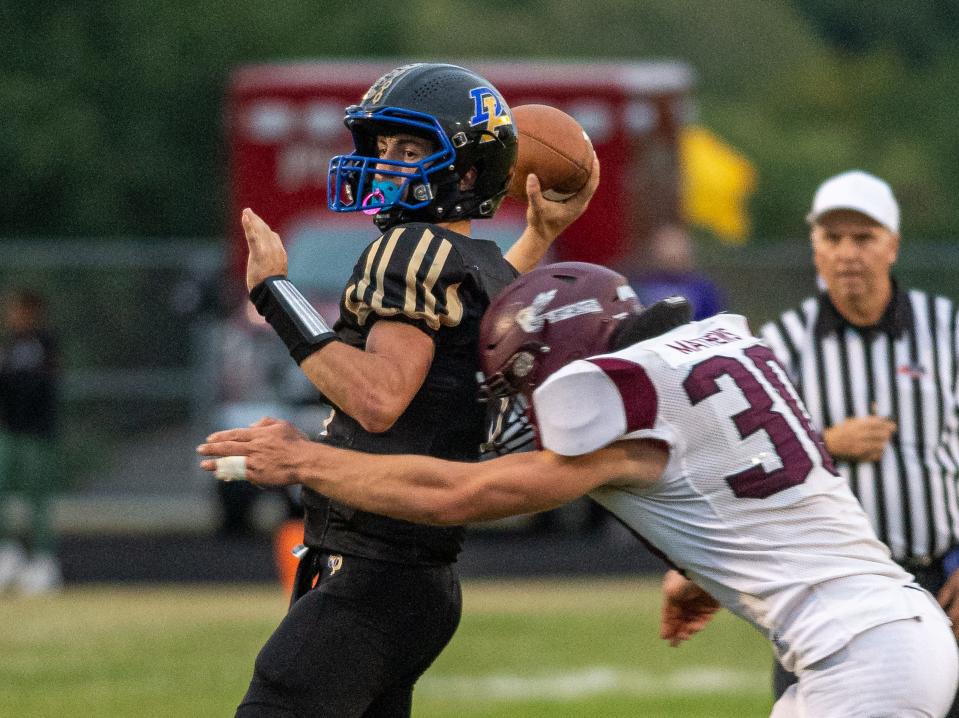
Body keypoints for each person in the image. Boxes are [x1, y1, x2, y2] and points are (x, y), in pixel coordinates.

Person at [200, 261, 959, 717]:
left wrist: (308, 460)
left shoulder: (622, 401)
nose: (519, 406)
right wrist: (698, 569)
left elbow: (460, 494)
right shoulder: (718, 342)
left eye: (523, 384)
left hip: (864, 660)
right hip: (891, 633)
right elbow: (746, 487)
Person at [221, 62, 599, 717]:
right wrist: (540, 234)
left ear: (466, 169)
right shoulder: (480, 261)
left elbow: (379, 398)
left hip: (371, 573)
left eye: (410, 150)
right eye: (382, 150)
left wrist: (274, 292)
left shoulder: (407, 251)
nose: (386, 165)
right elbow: (467, 316)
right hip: (420, 579)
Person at [759, 170, 959, 714]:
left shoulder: (948, 330)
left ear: (892, 245)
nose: (847, 253)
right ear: (814, 249)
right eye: (833, 238)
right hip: (824, 589)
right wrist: (823, 443)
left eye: (863, 237)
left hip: (937, 576)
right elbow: (747, 466)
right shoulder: (779, 344)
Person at [0, 289, 63, 595]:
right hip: (9, 431)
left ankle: (43, 560)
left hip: (37, 433)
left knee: (37, 500)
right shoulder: (9, 346)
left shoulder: (45, 344)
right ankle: (7, 553)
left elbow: (42, 387)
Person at [628, 223, 725, 320]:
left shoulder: (703, 289)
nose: (672, 251)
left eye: (677, 245)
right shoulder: (641, 286)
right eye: (666, 245)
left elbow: (714, 320)